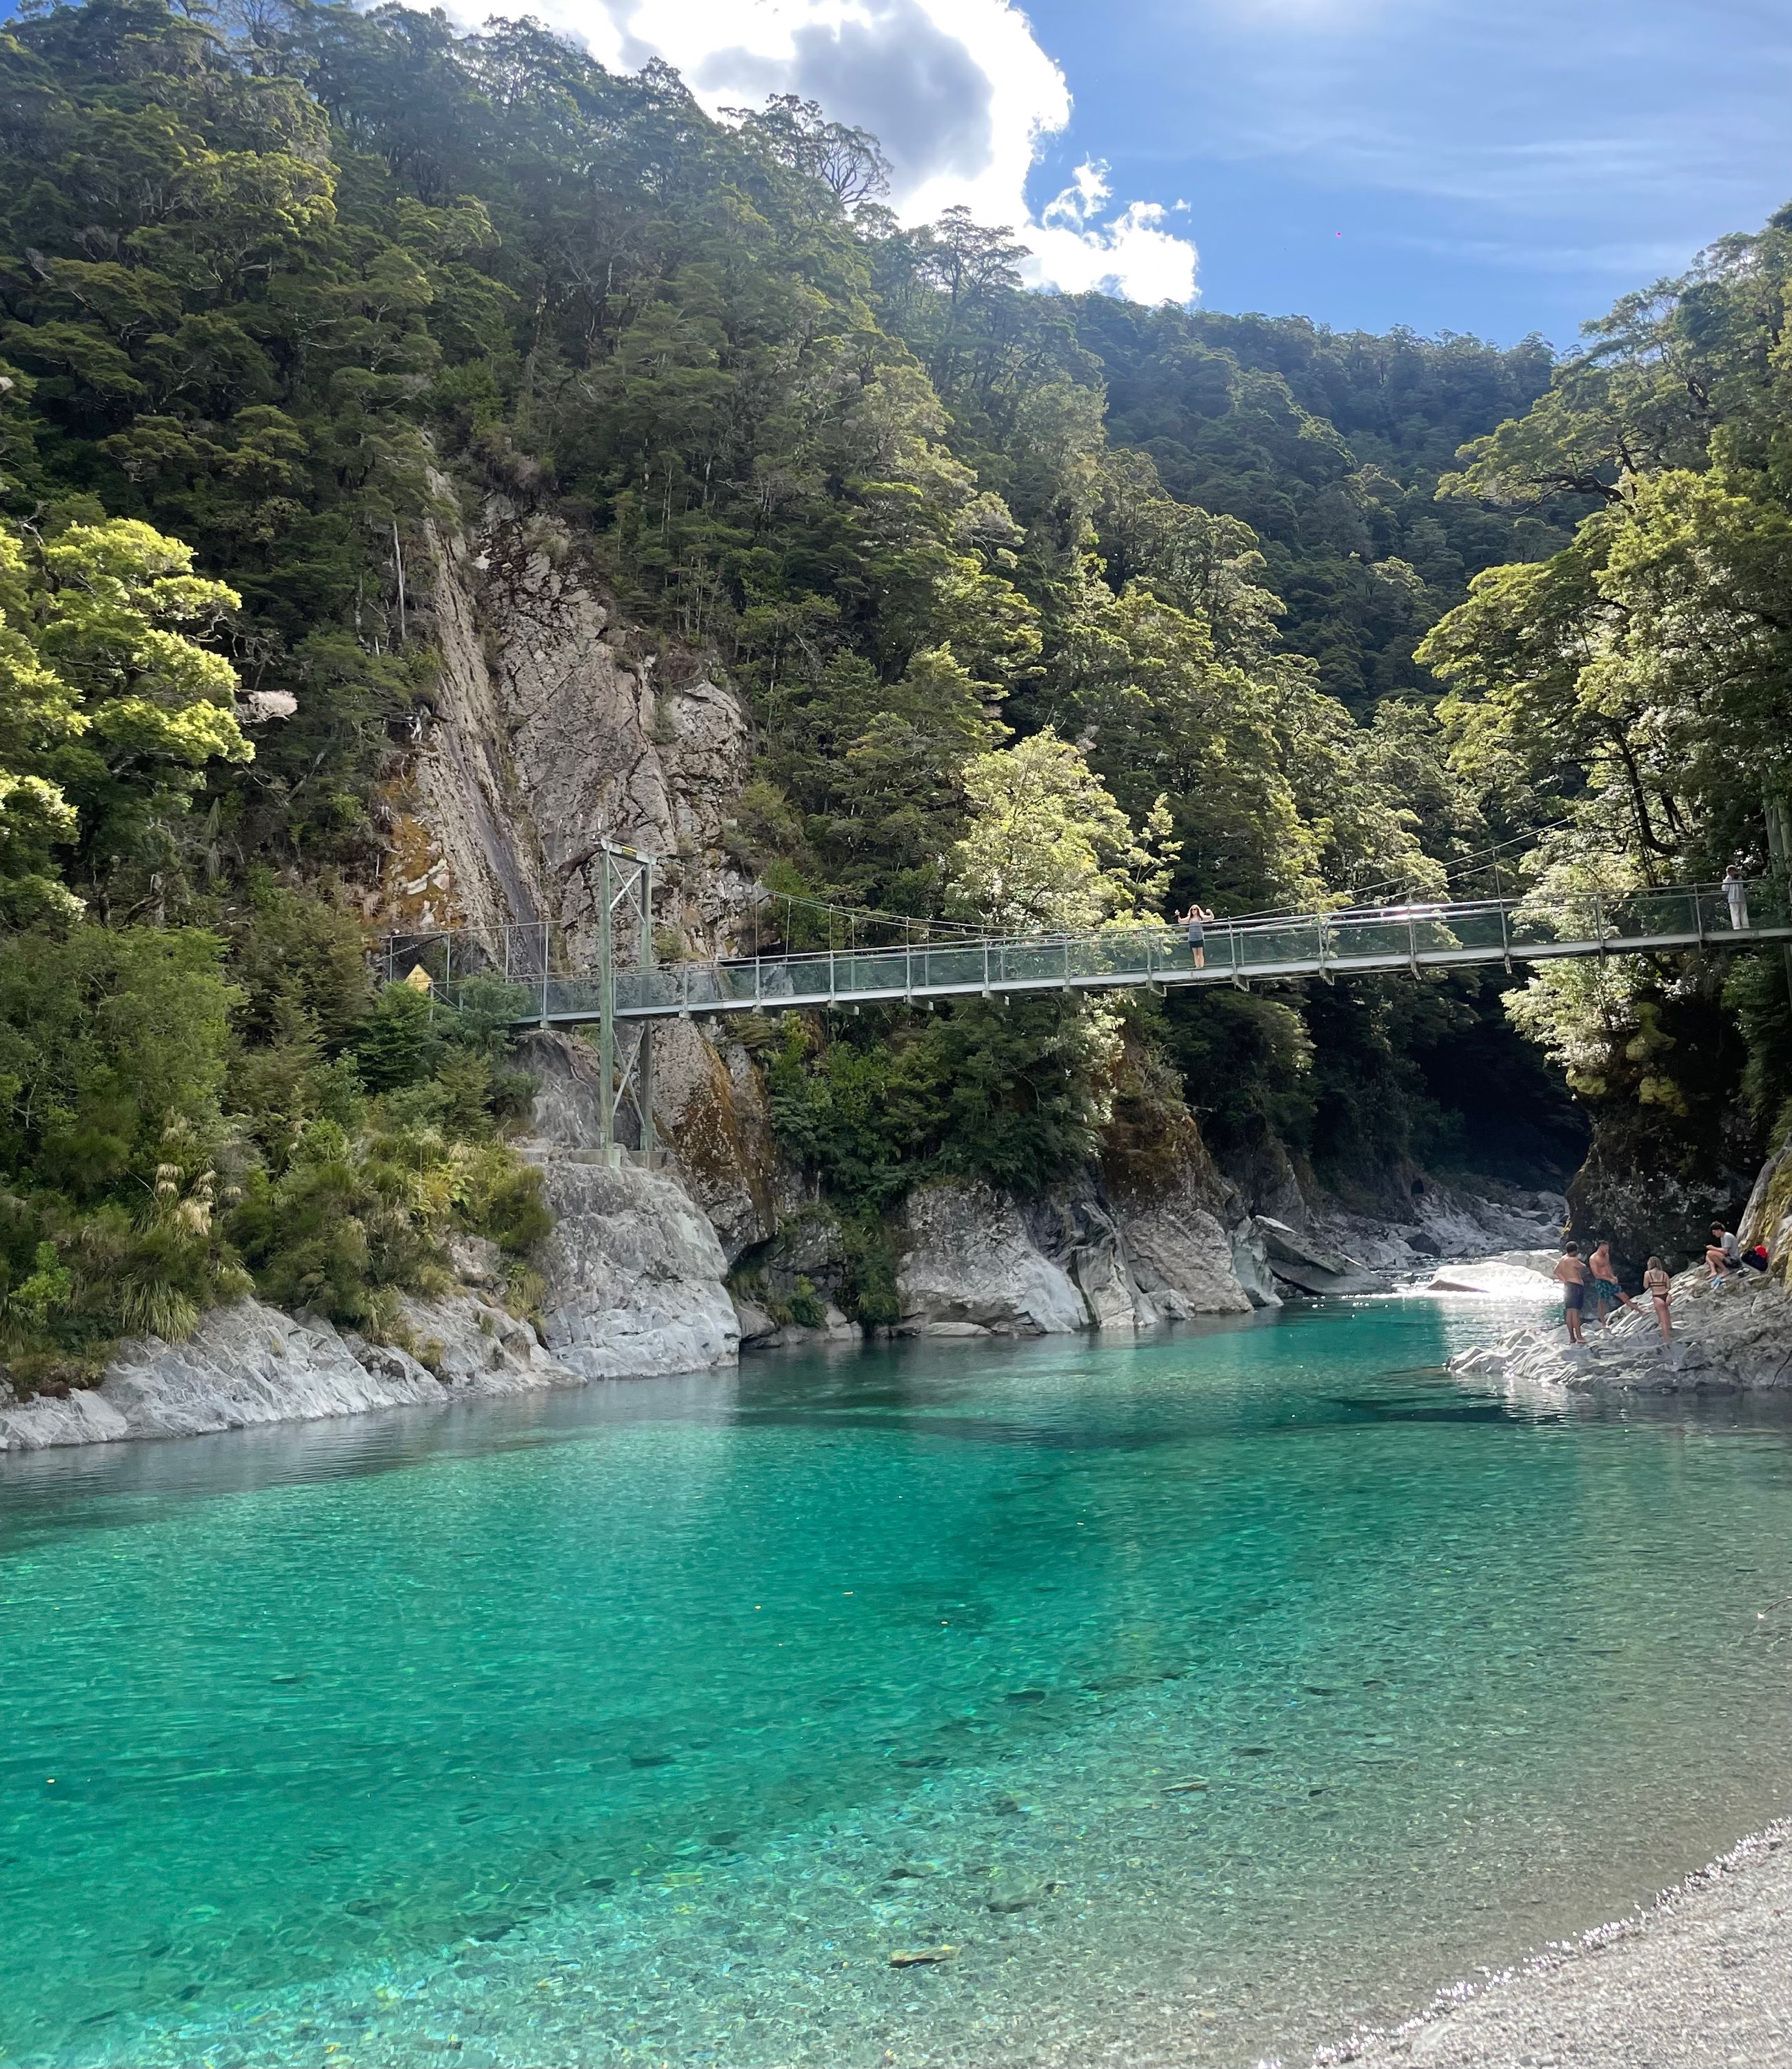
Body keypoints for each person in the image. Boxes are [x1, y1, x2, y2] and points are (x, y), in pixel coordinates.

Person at [1586, 1240, 1638, 1330]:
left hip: (1610, 1280)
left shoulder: (1606, 1255)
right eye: (1606, 1249)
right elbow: (1596, 1274)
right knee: (1602, 1302)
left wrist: (1613, 1276)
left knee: (1623, 1295)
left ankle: (1640, 1310)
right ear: (1601, 1247)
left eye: (1608, 1249)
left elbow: (1608, 1267)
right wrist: (1608, 1279)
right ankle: (1603, 1323)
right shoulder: (1593, 1258)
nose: (1607, 1251)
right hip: (1602, 1282)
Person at [1553, 1241, 1589, 1345]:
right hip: (1576, 1287)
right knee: (1575, 1313)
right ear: (1575, 1251)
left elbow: (1556, 1271)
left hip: (1568, 1286)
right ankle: (1579, 1336)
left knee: (1569, 1312)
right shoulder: (1573, 1260)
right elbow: (1584, 1267)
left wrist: (1564, 1279)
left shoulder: (1562, 1260)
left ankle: (1572, 1337)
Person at [1644, 1255, 1673, 1345]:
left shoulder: (1648, 1274)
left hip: (1657, 1296)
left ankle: (1666, 1341)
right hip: (1667, 1296)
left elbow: (1645, 1286)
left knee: (1662, 1319)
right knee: (1667, 1313)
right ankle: (1672, 1332)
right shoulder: (1664, 1274)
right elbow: (1669, 1286)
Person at [1178, 903, 1214, 970]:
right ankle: (1197, 967)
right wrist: (1178, 915)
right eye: (1192, 910)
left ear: (1197, 910)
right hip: (1192, 937)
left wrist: (1210, 912)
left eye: (1195, 909)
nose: (1193, 911)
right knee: (1195, 954)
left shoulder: (1200, 917)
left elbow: (1211, 918)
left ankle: (1201, 967)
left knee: (1200, 954)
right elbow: (1181, 921)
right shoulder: (1190, 918)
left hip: (1199, 937)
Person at [1706, 1222, 1742, 1286]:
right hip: (1728, 1258)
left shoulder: (1727, 1236)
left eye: (1714, 1232)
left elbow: (1725, 1251)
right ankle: (1713, 1271)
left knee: (1710, 1253)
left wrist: (1713, 1248)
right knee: (1708, 1255)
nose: (1714, 1234)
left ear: (1719, 1230)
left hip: (1734, 1260)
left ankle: (1725, 1270)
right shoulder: (1722, 1237)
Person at [1723, 866, 1751, 932]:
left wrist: (1727, 879)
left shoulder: (1731, 879)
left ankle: (1738, 928)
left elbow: (1724, 889)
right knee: (1742, 913)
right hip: (1740, 898)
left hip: (1734, 899)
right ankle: (1744, 927)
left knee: (1736, 913)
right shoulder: (1739, 877)